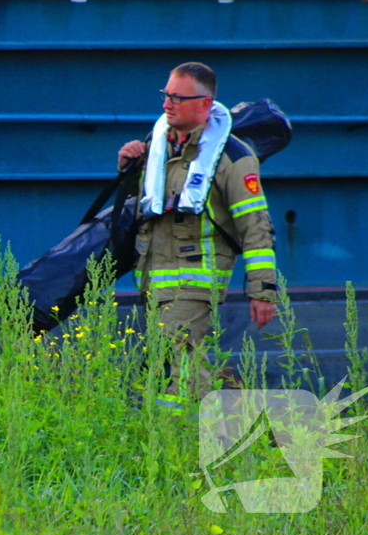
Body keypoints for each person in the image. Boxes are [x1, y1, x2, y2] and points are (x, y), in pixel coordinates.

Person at [117, 62, 277, 410]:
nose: (167, 104)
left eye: (178, 97)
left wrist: (262, 291)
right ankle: (177, 436)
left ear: (205, 104)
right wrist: (128, 168)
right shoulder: (157, 146)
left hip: (194, 280)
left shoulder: (234, 158)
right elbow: (144, 209)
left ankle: (189, 435)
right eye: (166, 95)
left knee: (186, 373)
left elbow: (255, 226)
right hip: (154, 282)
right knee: (166, 370)